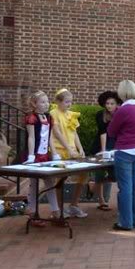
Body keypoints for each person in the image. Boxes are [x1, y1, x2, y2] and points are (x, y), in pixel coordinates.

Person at [107, 80, 135, 232]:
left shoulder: (123, 110)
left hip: (125, 152)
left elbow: (111, 131)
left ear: (122, 92)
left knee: (125, 188)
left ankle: (125, 222)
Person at [51, 88, 89, 217]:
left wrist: (80, 148)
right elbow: (57, 132)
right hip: (60, 151)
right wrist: (68, 148)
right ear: (58, 102)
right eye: (67, 102)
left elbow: (74, 133)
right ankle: (59, 209)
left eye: (70, 102)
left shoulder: (71, 114)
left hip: (72, 151)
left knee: (83, 174)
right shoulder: (53, 113)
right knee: (60, 179)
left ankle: (74, 205)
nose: (69, 104)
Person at [23, 90, 60, 220]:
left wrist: (54, 153)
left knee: (50, 181)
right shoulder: (31, 118)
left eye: (47, 101)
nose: (46, 104)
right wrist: (31, 156)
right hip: (35, 154)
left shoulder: (49, 117)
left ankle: (56, 210)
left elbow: (49, 137)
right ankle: (32, 212)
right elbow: (31, 138)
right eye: (42, 102)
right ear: (34, 104)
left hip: (45, 155)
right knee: (34, 183)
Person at [89, 91, 121, 211]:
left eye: (112, 103)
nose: (109, 106)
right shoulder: (100, 114)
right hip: (101, 144)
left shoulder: (120, 114)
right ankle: (101, 200)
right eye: (107, 103)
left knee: (114, 174)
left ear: (117, 104)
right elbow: (103, 133)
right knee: (100, 172)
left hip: (115, 145)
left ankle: (92, 186)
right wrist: (103, 151)